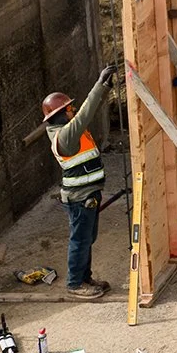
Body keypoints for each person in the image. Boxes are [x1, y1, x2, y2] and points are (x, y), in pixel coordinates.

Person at [41, 65, 116, 300]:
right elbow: (85, 113)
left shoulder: (68, 129)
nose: (72, 110)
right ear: (59, 114)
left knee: (87, 239)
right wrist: (100, 86)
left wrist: (105, 89)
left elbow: (86, 113)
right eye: (68, 109)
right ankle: (75, 283)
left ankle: (85, 278)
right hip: (80, 198)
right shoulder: (65, 136)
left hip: (87, 194)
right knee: (80, 240)